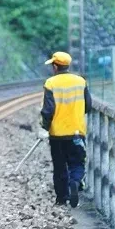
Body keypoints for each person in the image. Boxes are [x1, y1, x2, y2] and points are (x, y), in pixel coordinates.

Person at [39, 51, 92, 208]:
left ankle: (61, 198)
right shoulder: (81, 82)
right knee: (77, 162)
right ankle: (75, 182)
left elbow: (48, 110)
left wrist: (44, 127)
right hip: (77, 132)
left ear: (55, 66)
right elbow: (88, 106)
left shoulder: (50, 83)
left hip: (57, 135)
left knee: (60, 165)